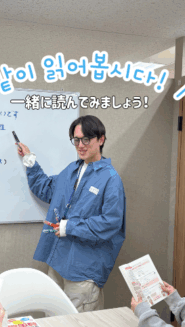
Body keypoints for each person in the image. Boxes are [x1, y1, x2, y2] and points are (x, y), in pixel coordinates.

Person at [17, 115, 126, 312]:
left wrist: (69, 227)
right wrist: (29, 160)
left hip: (84, 271)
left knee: (78, 325)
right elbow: (46, 189)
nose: (80, 145)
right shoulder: (72, 170)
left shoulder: (111, 179)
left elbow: (111, 222)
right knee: (53, 319)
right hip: (58, 262)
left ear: (101, 140)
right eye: (76, 140)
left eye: (86, 139)